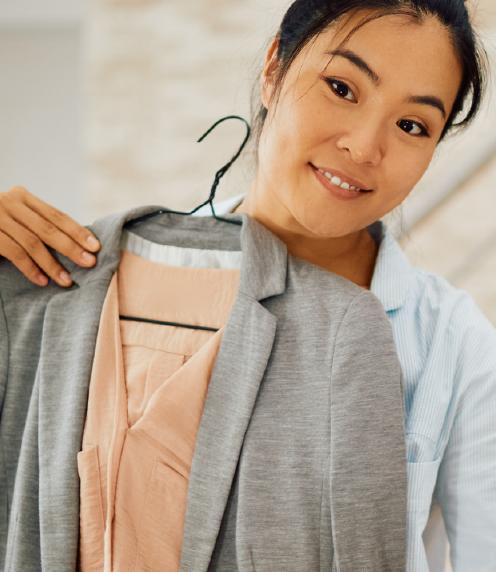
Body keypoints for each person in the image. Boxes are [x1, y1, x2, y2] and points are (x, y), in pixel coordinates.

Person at [0, 0, 495, 569]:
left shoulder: (455, 347)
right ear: (272, 69)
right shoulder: (91, 283)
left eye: (412, 125)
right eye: (342, 87)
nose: (364, 147)